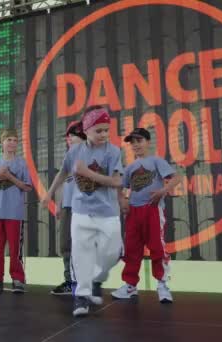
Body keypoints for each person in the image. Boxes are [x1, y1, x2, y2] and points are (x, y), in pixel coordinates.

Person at [43, 106, 126, 317]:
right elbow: (62, 173)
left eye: (107, 130)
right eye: (99, 130)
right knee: (81, 255)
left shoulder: (113, 151)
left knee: (112, 253)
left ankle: (97, 278)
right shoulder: (74, 152)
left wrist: (87, 172)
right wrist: (49, 193)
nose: (104, 134)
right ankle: (81, 296)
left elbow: (117, 180)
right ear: (87, 129)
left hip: (107, 212)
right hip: (81, 211)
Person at [111, 128, 181, 303]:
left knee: (157, 247)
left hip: (152, 209)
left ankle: (163, 286)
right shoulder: (129, 167)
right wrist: (122, 200)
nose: (135, 145)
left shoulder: (156, 160)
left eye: (139, 140)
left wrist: (163, 191)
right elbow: (121, 186)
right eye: (132, 142)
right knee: (132, 249)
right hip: (134, 211)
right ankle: (130, 286)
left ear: (148, 142)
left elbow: (176, 178)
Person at [0, 128, 32, 294]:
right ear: (2, 143)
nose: (12, 143)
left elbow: (27, 187)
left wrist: (10, 177)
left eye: (15, 140)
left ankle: (18, 279)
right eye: (8, 140)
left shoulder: (21, 163)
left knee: (15, 249)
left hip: (14, 213)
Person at [50, 121, 86, 296]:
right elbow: (66, 182)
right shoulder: (69, 157)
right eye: (69, 136)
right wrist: (59, 204)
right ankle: (70, 281)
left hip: (83, 207)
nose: (70, 139)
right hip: (67, 205)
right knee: (65, 244)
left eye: (74, 136)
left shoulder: (90, 153)